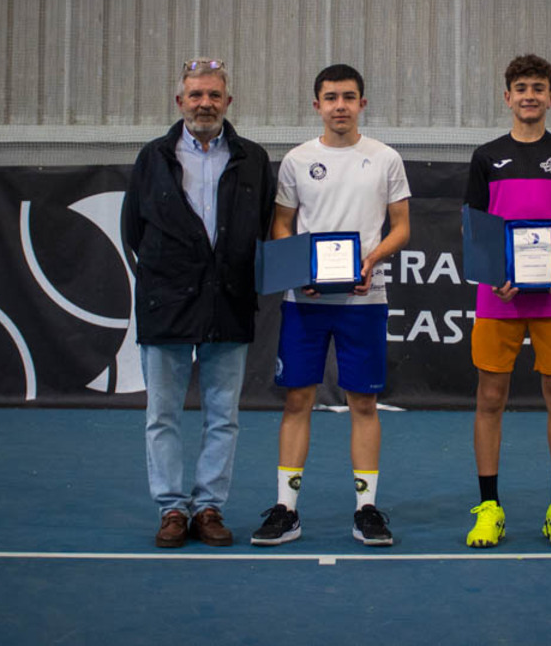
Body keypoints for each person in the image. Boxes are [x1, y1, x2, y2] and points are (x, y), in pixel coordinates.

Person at [250, 64, 411, 547]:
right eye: (330, 97)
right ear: (316, 104)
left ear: (363, 103)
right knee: (299, 399)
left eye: (349, 96)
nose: (339, 105)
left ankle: (367, 509)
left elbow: (401, 226)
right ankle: (286, 509)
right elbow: (282, 224)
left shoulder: (385, 158)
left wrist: (371, 259)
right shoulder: (297, 160)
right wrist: (302, 269)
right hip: (306, 301)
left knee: (363, 401)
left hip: (365, 298)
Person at [123, 58, 275, 548]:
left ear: (228, 102)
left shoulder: (253, 158)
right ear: (180, 101)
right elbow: (133, 231)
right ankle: (171, 508)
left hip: (228, 302)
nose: (205, 103)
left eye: (214, 95)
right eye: (196, 95)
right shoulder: (152, 158)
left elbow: (268, 226)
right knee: (161, 415)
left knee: (223, 416)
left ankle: (209, 507)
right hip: (165, 304)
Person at [463, 54, 551, 548]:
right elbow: (475, 229)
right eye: (521, 87)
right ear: (507, 96)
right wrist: (495, 273)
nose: (529, 95)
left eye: (538, 87)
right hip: (500, 299)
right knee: (490, 399)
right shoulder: (486, 156)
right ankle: (489, 508)